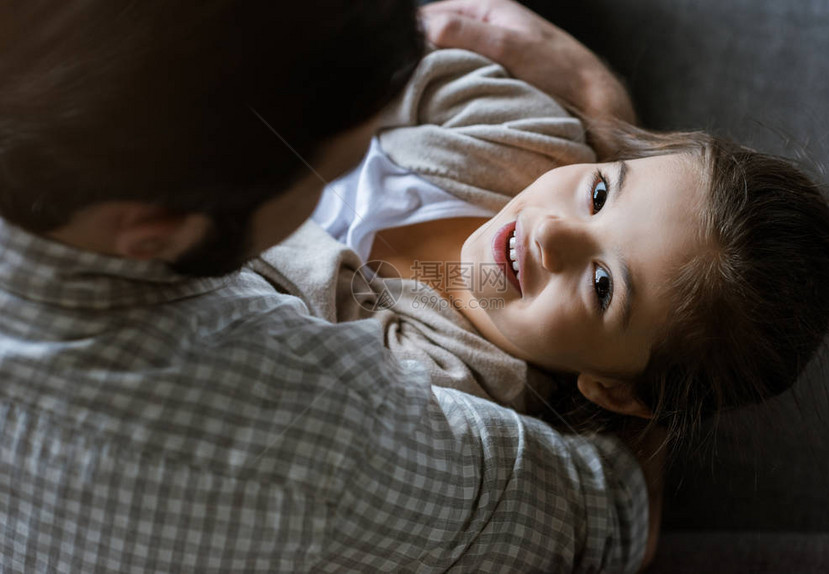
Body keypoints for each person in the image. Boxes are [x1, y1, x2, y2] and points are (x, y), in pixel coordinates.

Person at [0, 2, 662, 572]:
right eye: (332, 172)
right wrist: (600, 103)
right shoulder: (323, 456)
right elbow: (603, 523)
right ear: (160, 231)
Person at [285, 3, 829, 449]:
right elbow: (390, 68)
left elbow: (277, 297)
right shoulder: (529, 132)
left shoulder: (455, 378)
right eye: (599, 193)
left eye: (604, 286)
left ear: (614, 391)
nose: (553, 235)